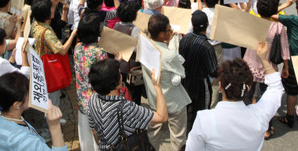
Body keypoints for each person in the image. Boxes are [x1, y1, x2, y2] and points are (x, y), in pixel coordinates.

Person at [186, 41, 284, 150]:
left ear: (220, 86)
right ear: (249, 87)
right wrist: (264, 59)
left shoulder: (204, 119)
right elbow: (276, 87)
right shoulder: (260, 115)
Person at [87, 58, 168, 149]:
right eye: (120, 74)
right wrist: (157, 86)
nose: (121, 76)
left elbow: (94, 131)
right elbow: (162, 117)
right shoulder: (125, 108)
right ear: (116, 83)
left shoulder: (92, 99)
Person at [243, 0, 290, 139]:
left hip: (249, 63)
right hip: (268, 66)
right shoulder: (279, 27)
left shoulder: (253, 22)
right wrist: (286, 67)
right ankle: (266, 129)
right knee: (267, 100)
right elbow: (284, 49)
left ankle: (246, 126)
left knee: (247, 96)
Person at [142, 14, 191, 150]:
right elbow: (181, 72)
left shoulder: (144, 45)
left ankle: (152, 148)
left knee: (154, 131)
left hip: (154, 99)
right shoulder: (169, 56)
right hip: (173, 101)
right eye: (169, 30)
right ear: (162, 34)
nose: (171, 32)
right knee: (178, 135)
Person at [0, 72, 67, 151]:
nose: (33, 94)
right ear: (17, 104)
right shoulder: (24, 141)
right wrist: (54, 126)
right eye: (28, 92)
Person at [178, 11, 218, 132]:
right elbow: (213, 71)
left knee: (188, 111)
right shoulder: (207, 47)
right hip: (201, 85)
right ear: (207, 24)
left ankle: (189, 135)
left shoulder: (184, 39)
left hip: (185, 81)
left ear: (192, 24)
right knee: (201, 113)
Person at [73, 14, 108, 151]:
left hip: (82, 99)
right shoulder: (99, 52)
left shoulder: (77, 48)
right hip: (97, 102)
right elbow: (105, 78)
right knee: (98, 139)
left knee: (85, 136)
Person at [31, 0, 73, 107]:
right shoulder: (47, 33)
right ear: (47, 14)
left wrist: (53, 5)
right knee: (53, 96)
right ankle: (53, 120)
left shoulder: (36, 24)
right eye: (51, 8)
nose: (53, 10)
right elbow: (63, 51)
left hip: (41, 62)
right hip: (49, 67)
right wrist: (73, 34)